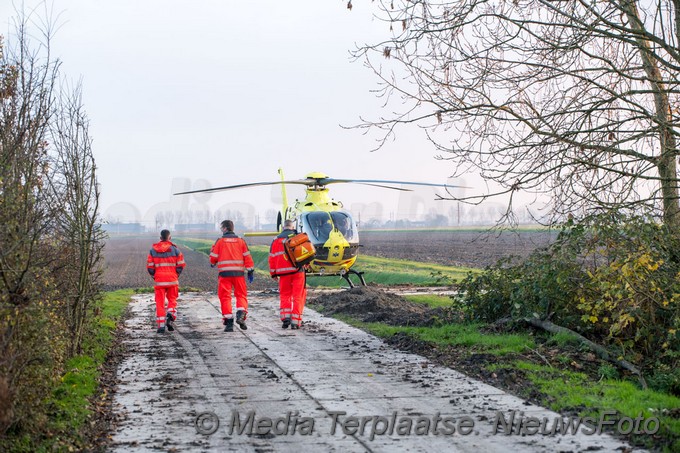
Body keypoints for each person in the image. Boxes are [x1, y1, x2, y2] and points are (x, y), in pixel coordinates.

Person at [210, 220, 255, 332]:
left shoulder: (219, 241)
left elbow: (213, 258)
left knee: (225, 297)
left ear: (225, 228)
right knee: (241, 295)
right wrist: (250, 270)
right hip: (239, 274)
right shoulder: (241, 241)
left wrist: (212, 260)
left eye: (221, 228)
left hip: (224, 274)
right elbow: (247, 257)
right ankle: (241, 314)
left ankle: (229, 322)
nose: (221, 230)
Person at [269, 220, 307, 330]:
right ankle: (296, 322)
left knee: (285, 295)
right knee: (298, 297)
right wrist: (307, 264)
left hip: (283, 273)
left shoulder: (275, 240)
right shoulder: (298, 237)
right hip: (298, 271)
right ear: (292, 227)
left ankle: (285, 318)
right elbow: (306, 251)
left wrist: (273, 273)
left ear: (283, 227)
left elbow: (271, 258)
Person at [146, 229, 185, 333]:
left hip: (159, 281)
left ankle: (161, 326)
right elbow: (181, 265)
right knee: (172, 300)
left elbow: (150, 267)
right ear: (169, 238)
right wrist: (175, 275)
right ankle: (170, 315)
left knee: (160, 303)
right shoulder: (176, 250)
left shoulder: (153, 250)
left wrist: (156, 277)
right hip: (172, 280)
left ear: (160, 238)